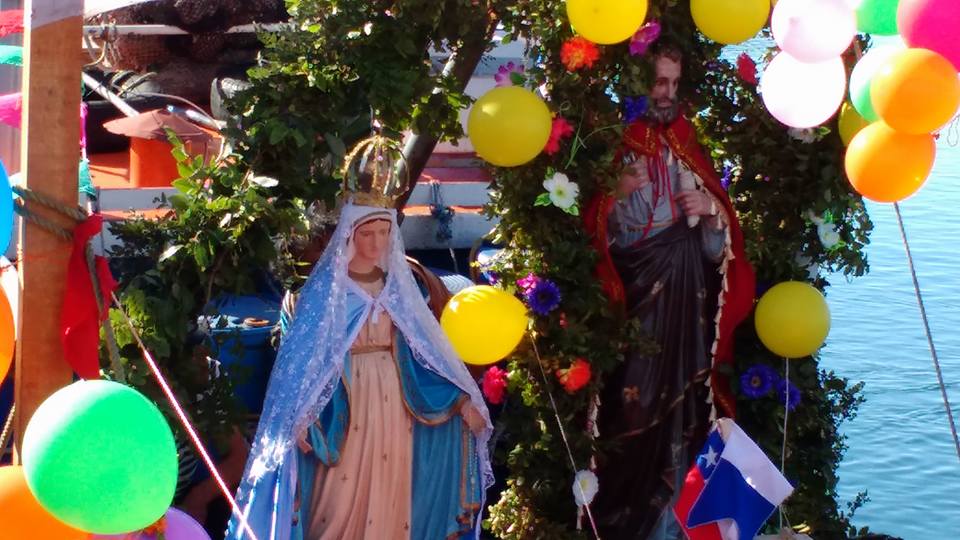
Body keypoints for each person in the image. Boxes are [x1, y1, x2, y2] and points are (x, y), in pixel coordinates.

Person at [227, 201, 493, 540]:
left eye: (384, 232)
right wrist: (301, 412)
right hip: (345, 406)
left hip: (395, 405)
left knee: (391, 493)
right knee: (336, 501)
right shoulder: (326, 292)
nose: (376, 242)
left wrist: (460, 401)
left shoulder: (399, 290)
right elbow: (304, 363)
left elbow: (423, 356)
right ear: (349, 236)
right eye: (367, 233)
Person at [583, 43, 755, 539]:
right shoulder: (613, 145)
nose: (667, 94)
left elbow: (717, 251)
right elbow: (590, 240)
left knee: (687, 408)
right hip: (636, 297)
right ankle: (627, 525)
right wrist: (614, 195)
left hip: (686, 298)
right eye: (660, 82)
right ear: (640, 83)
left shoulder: (685, 141)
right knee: (631, 408)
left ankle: (678, 526)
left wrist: (709, 211)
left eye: (674, 84)